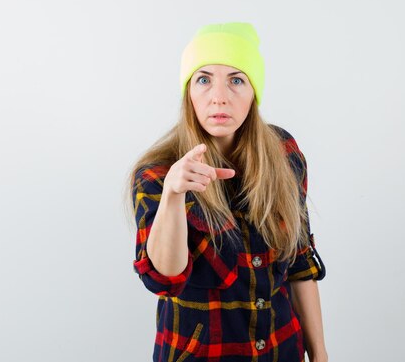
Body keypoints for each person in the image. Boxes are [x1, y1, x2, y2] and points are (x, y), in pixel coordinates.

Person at [126, 22, 327, 362]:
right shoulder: (158, 174)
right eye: (204, 79)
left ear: (254, 93)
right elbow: (165, 278)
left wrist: (319, 354)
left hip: (282, 350)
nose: (219, 96)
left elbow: (298, 262)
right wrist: (174, 196)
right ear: (188, 91)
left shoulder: (283, 153)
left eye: (236, 80)